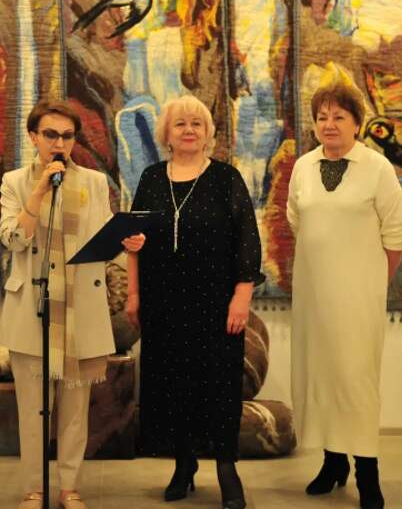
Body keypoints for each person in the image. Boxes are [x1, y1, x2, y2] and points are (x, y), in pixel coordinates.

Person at [0, 99, 144, 509]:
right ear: (33, 136)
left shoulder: (94, 182)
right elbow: (12, 239)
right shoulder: (15, 182)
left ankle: (69, 488)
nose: (59, 144)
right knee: (33, 409)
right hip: (33, 306)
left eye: (67, 136)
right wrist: (40, 190)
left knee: (76, 410)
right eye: (50, 135)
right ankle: (34, 488)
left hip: (81, 307)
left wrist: (128, 241)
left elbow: (105, 240)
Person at [126, 95, 264, 509]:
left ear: (207, 134)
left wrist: (241, 298)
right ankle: (183, 464)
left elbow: (248, 242)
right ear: (166, 134)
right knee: (171, 385)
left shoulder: (226, 178)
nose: (189, 130)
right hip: (162, 303)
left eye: (197, 124)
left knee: (219, 388)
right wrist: (134, 294)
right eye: (180, 124)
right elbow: (133, 241)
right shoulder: (152, 178)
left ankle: (226, 469)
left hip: (215, 306)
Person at [286, 83, 402, 509]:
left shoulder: (377, 167)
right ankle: (333, 462)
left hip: (359, 295)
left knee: (356, 381)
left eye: (339, 116)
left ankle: (367, 473)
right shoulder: (303, 166)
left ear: (357, 123)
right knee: (322, 375)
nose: (329, 124)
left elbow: (396, 231)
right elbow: (296, 219)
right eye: (322, 117)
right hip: (314, 293)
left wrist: (374, 282)